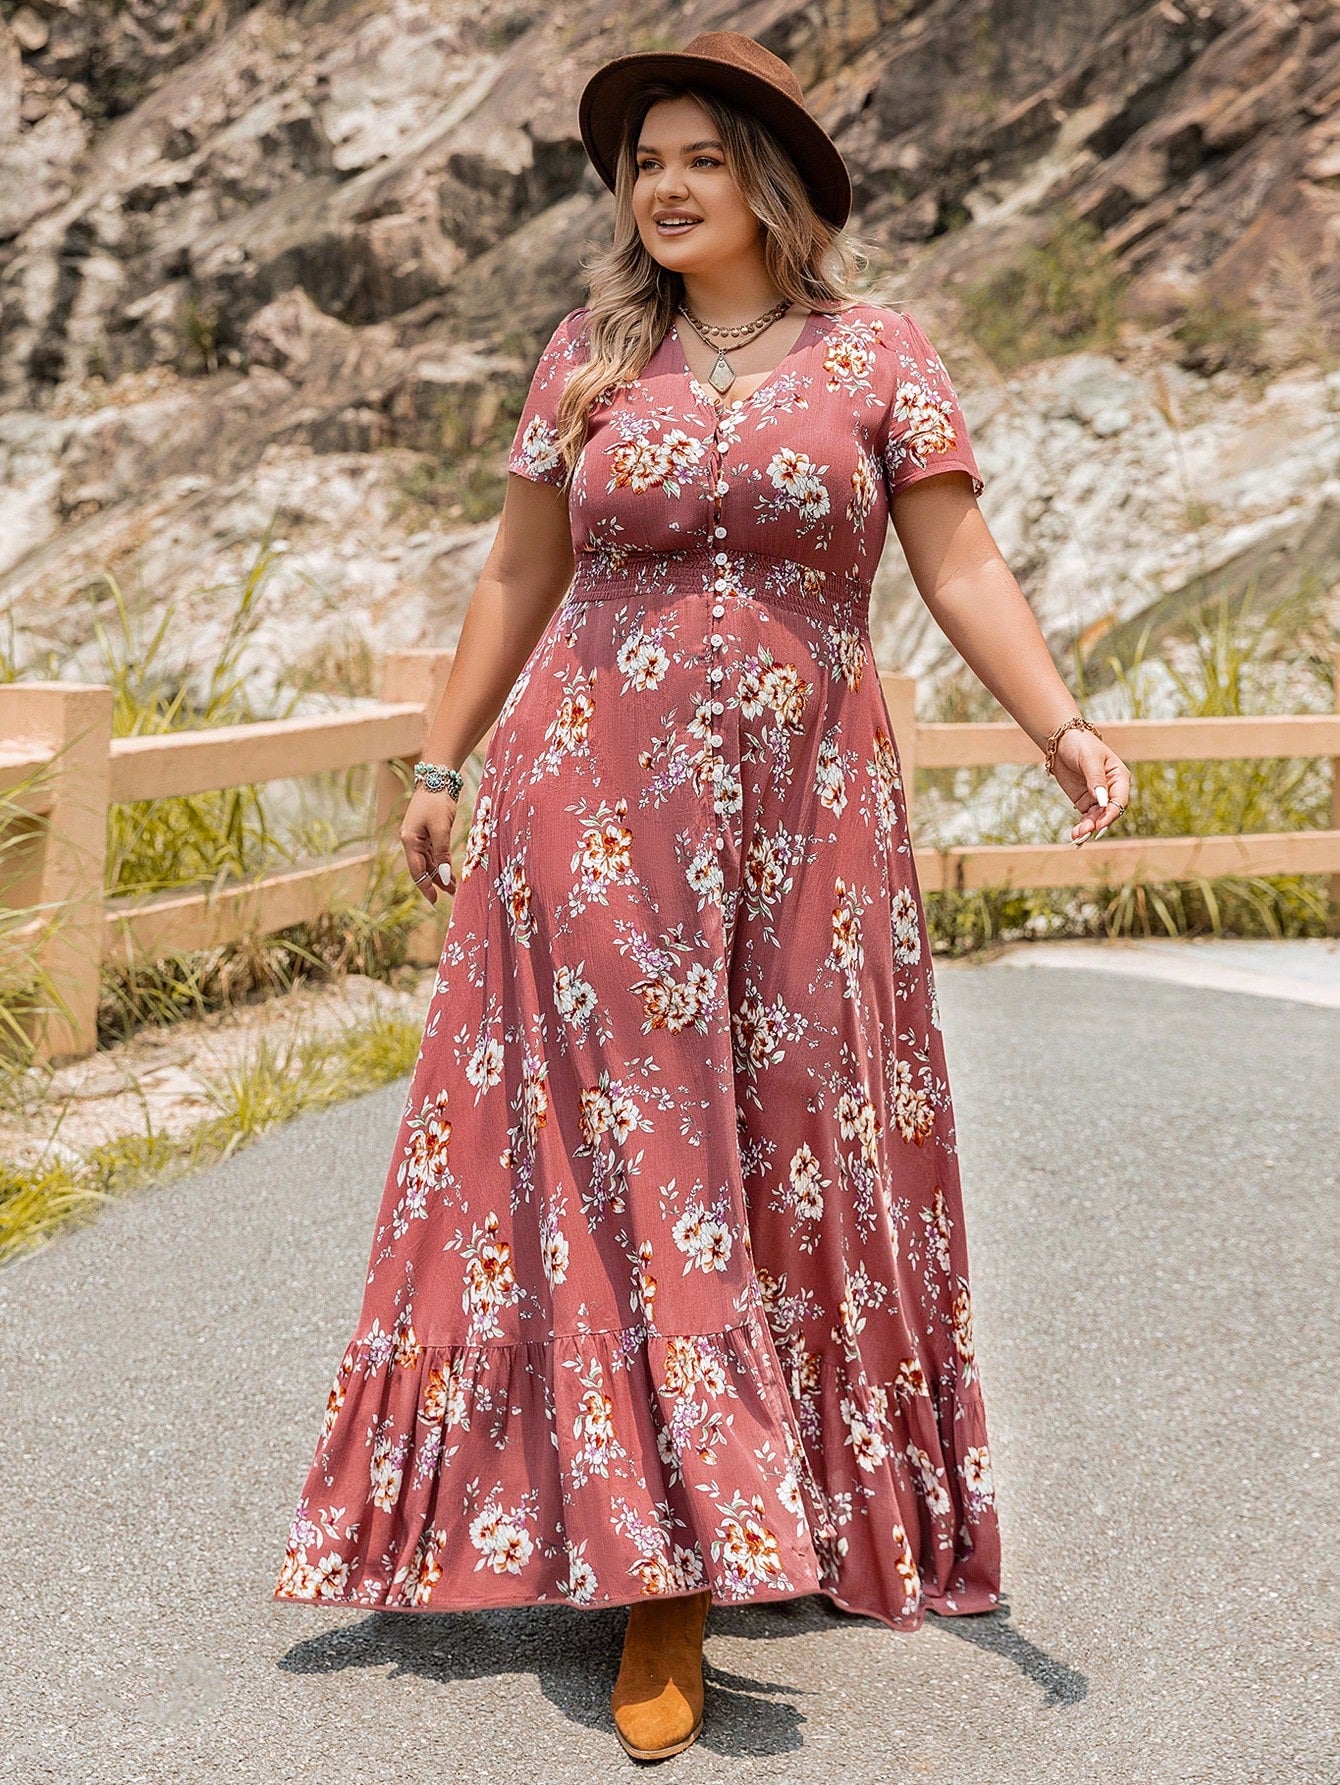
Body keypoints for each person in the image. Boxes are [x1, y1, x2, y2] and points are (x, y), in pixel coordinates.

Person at [272, 29, 1133, 1764]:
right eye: (642, 163)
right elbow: (519, 565)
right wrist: (440, 761)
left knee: (789, 1133)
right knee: (645, 1146)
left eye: (697, 158)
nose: (662, 187)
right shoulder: (591, 354)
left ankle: (782, 1490)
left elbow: (957, 558)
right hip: (590, 803)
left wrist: (1062, 723)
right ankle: (663, 1566)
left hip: (809, 817)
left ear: (770, 180)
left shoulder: (880, 355)